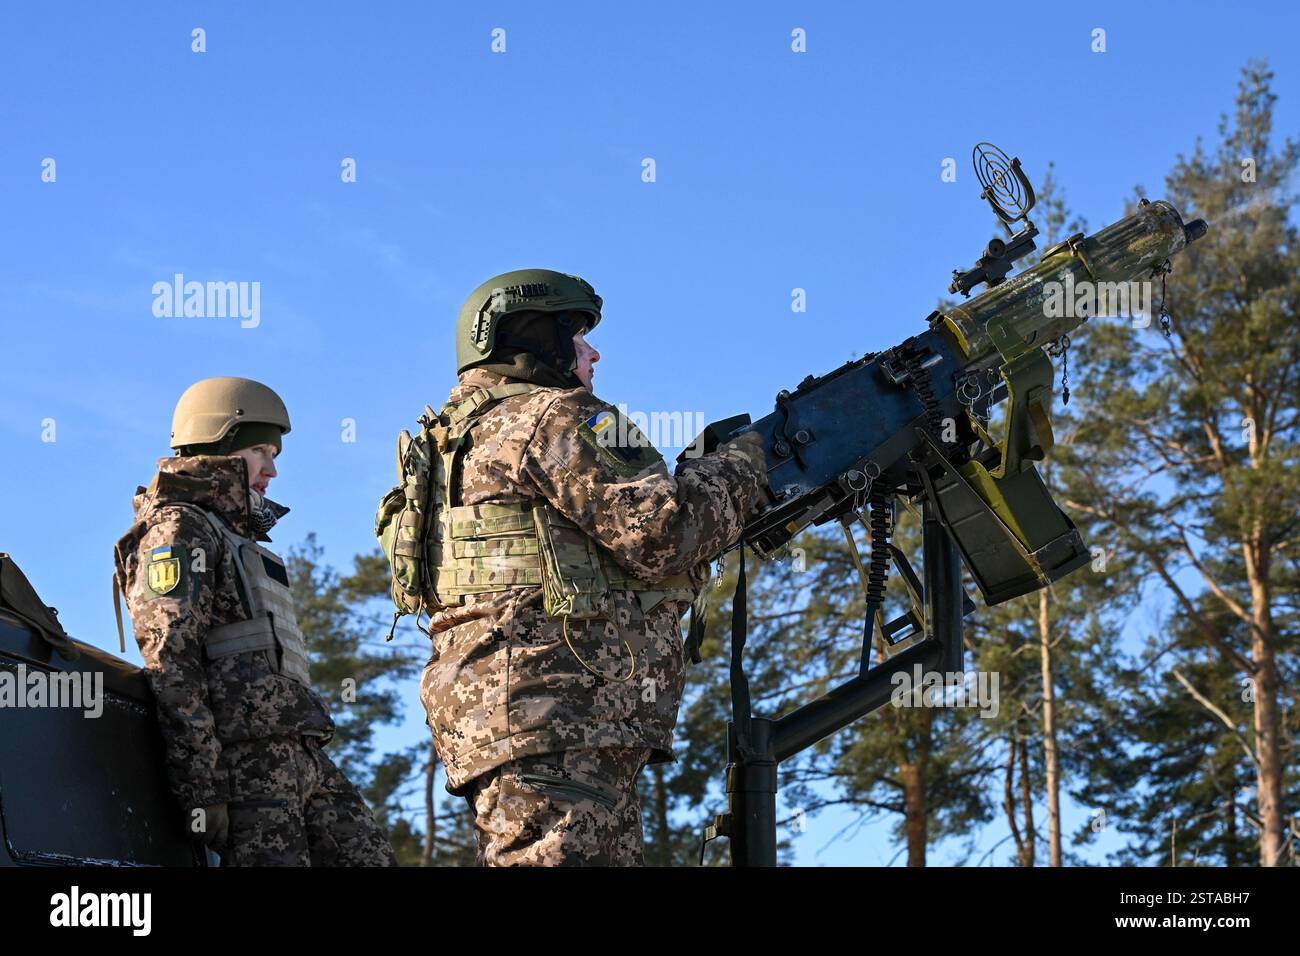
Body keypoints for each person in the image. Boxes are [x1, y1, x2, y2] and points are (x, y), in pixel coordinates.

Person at [409, 268, 768, 865]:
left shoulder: (457, 438)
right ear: (533, 337)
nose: (593, 351)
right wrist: (740, 465)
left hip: (538, 721)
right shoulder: (550, 416)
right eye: (577, 336)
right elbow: (662, 533)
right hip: (557, 717)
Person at [114, 376, 397, 866]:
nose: (271, 470)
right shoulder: (179, 528)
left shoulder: (234, 536)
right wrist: (203, 789)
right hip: (245, 765)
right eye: (261, 452)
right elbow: (171, 661)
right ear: (222, 447)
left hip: (298, 753)